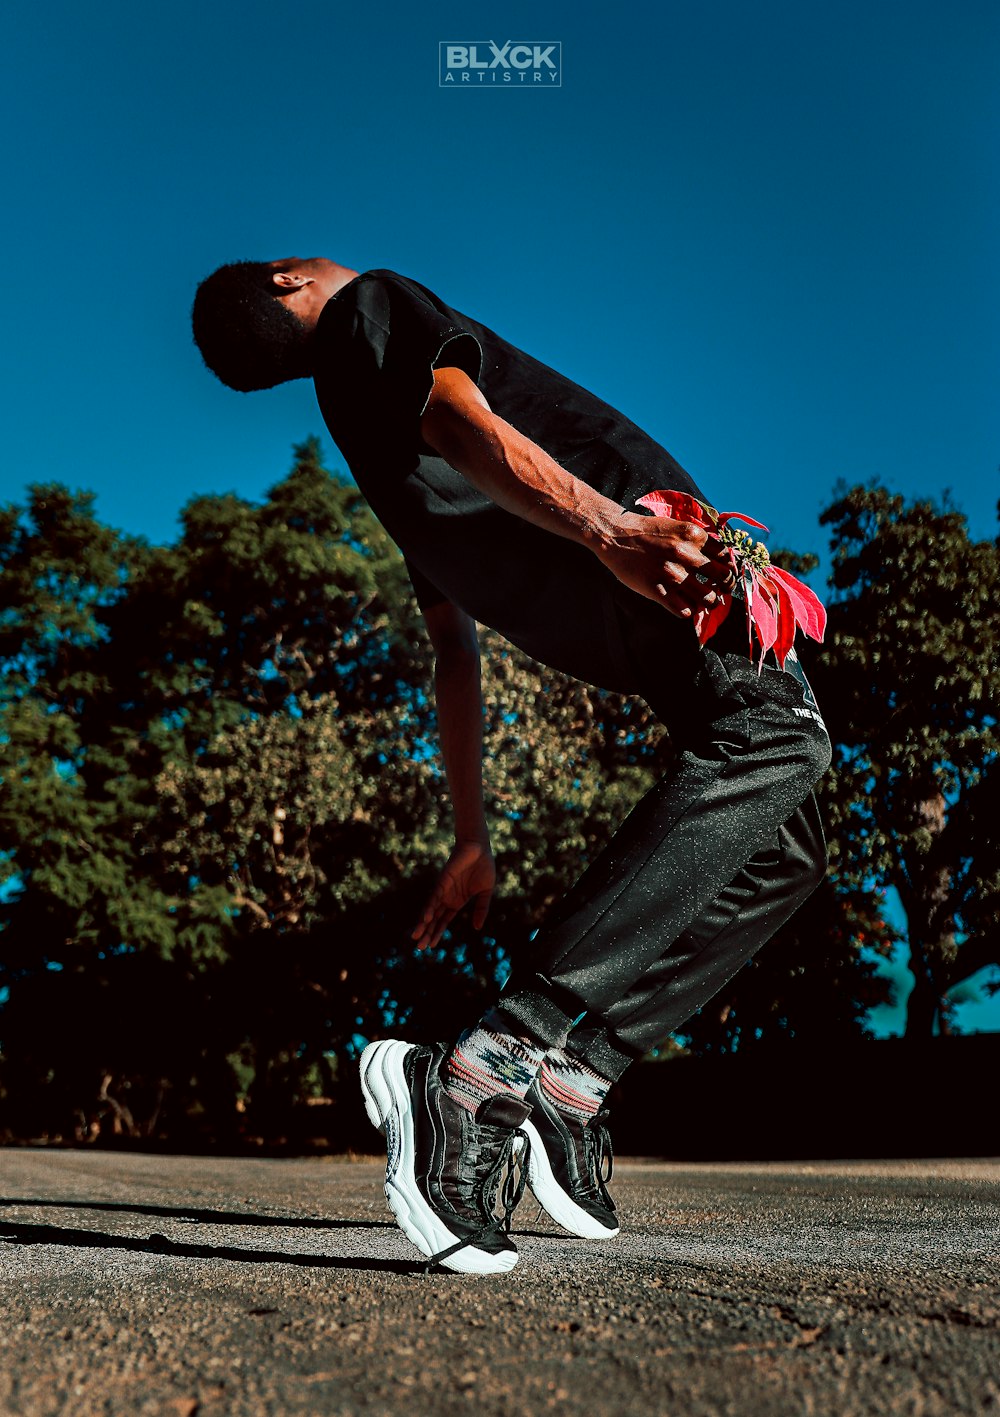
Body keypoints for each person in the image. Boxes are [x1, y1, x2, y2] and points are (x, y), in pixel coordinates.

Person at [191, 257, 830, 1274]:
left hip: (632, 617)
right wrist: (612, 526)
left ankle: (572, 1080)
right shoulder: (368, 311)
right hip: (653, 572)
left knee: (785, 845)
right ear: (287, 278)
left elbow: (454, 652)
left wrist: (472, 836)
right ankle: (476, 1075)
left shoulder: (375, 448)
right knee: (780, 741)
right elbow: (457, 416)